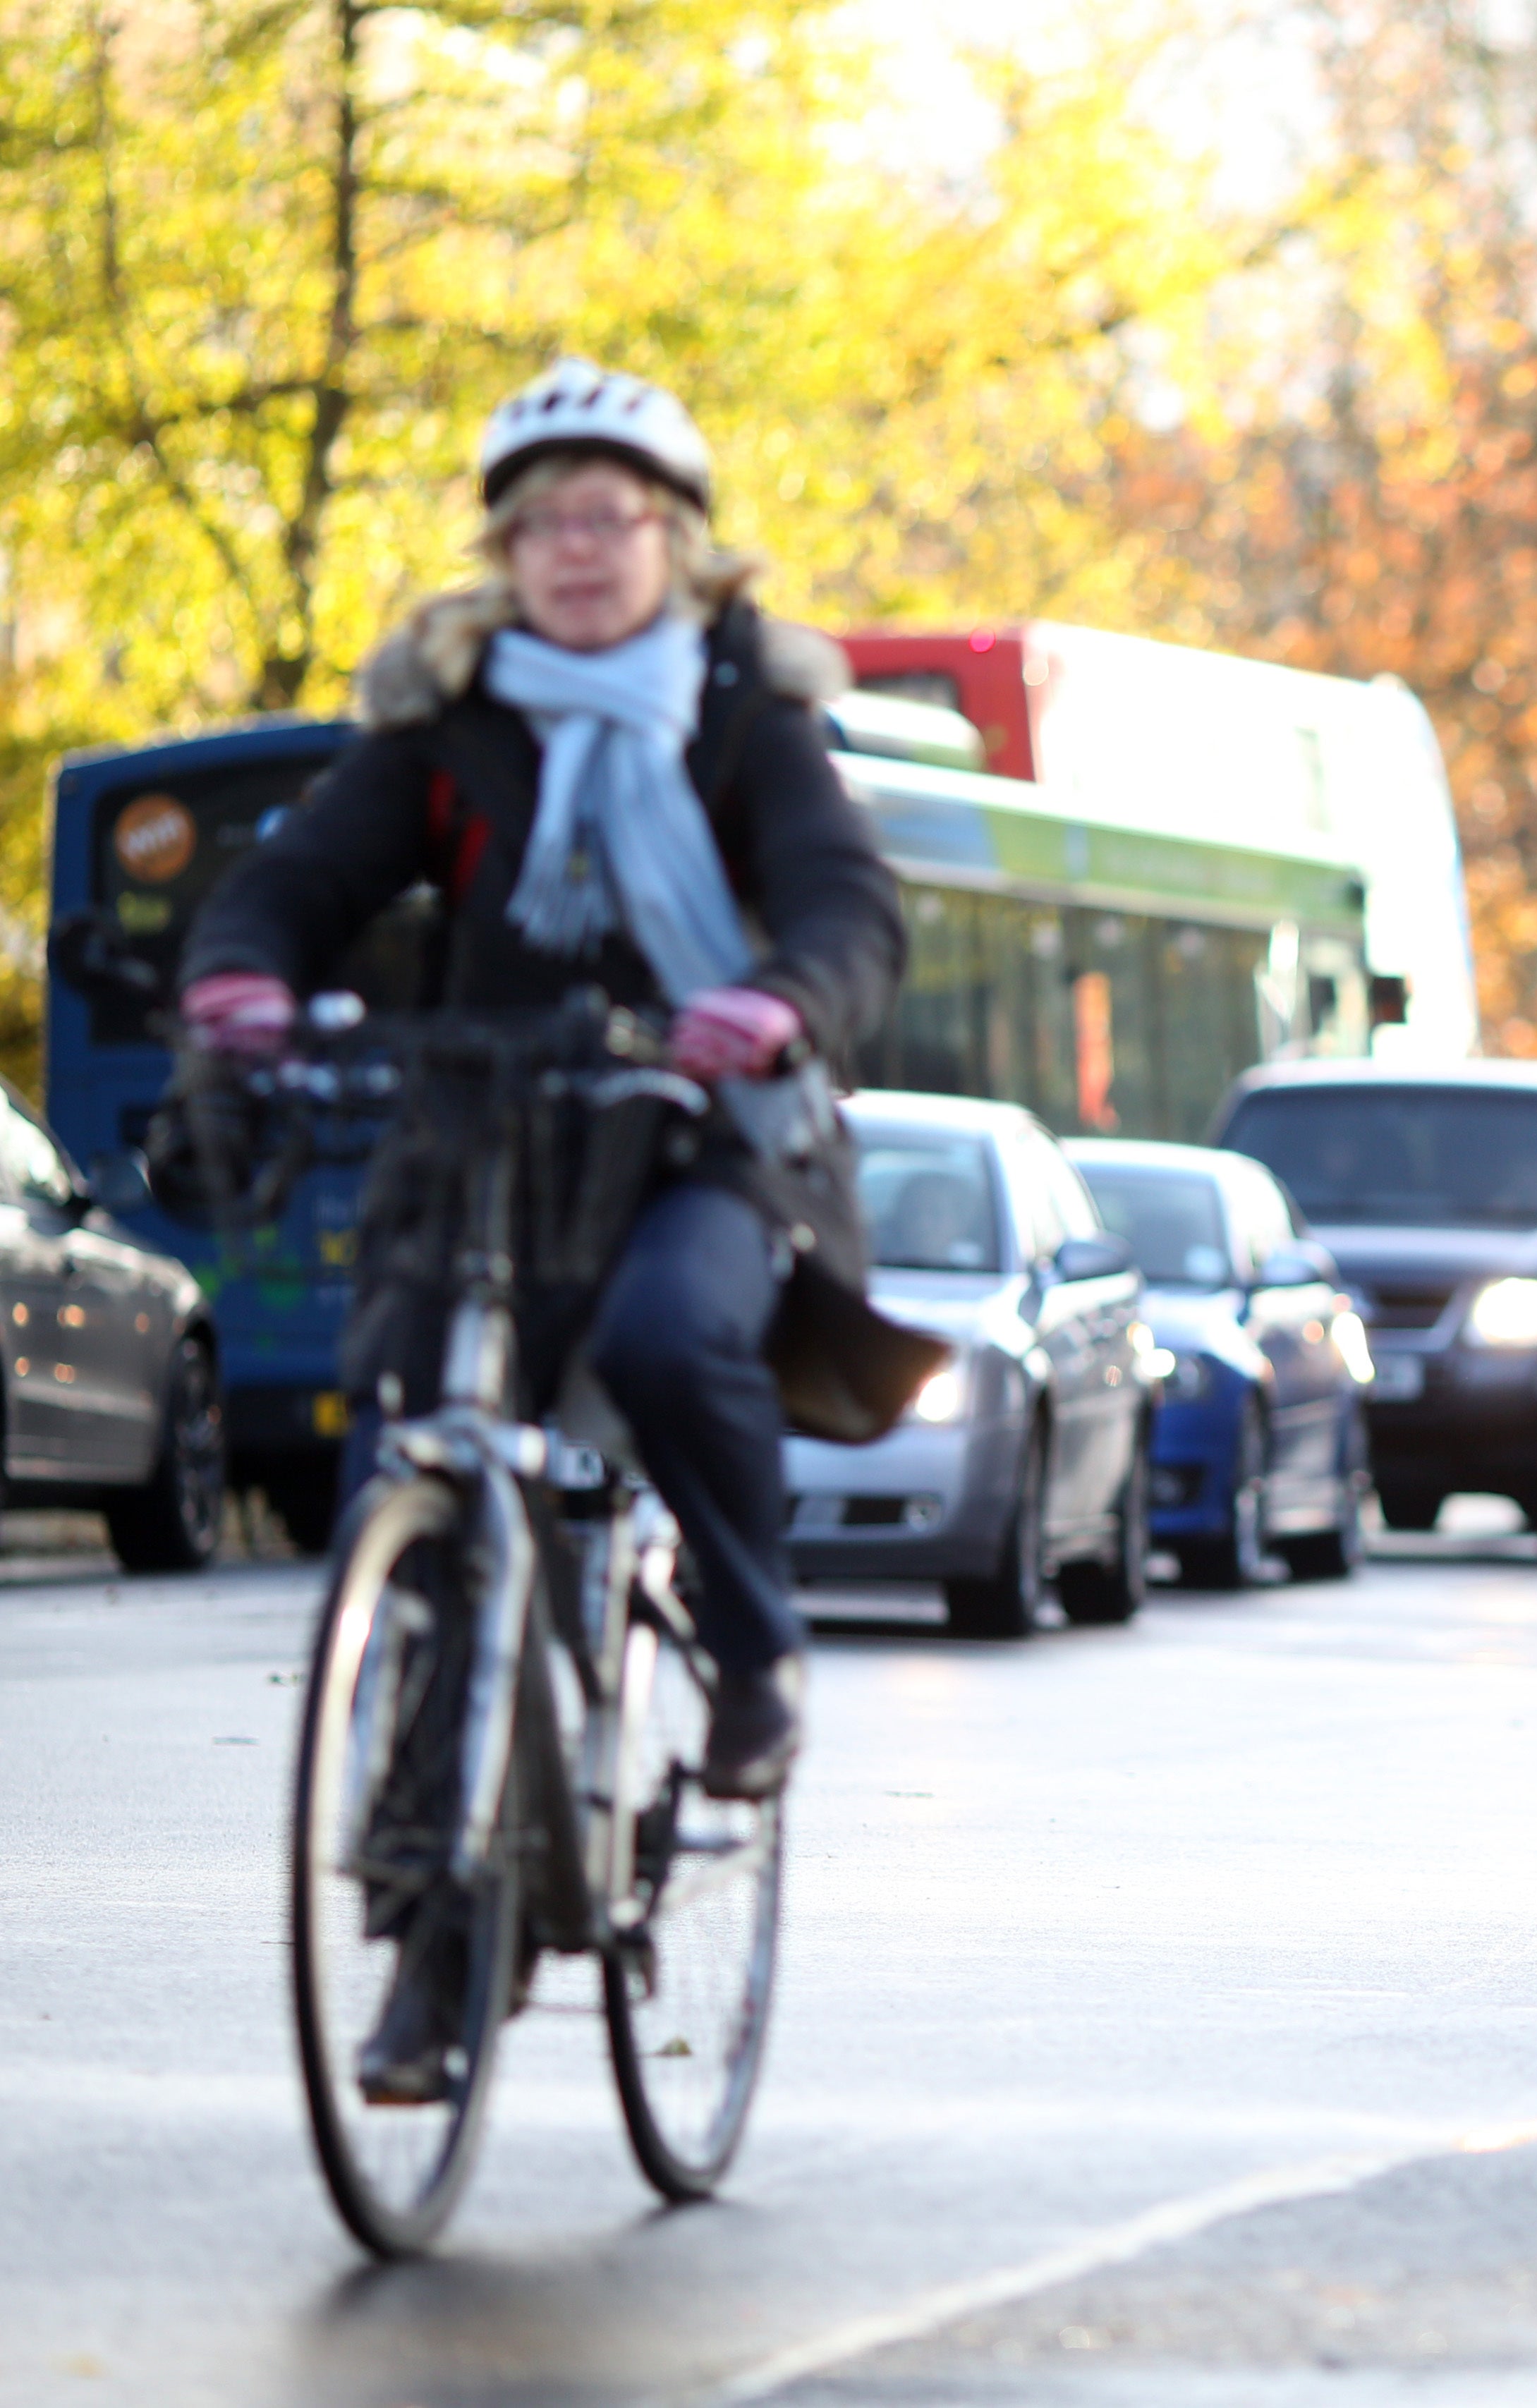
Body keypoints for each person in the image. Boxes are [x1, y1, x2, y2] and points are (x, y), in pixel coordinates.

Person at [178, 360, 906, 2095]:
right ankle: (438, 1954)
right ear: (504, 548)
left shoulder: (748, 715)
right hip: (481, 1145)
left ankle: (749, 1654)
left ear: (674, 540)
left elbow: (839, 897)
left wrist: (784, 995)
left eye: (610, 515)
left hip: (701, 1138)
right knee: (413, 1496)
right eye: (541, 522)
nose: (576, 550)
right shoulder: (447, 716)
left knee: (667, 1338)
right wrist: (240, 969)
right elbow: (305, 870)